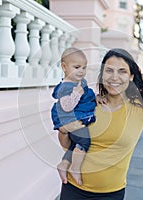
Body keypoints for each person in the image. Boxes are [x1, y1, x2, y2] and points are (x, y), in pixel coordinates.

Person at [57, 48, 143, 200]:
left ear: (131, 75)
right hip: (73, 190)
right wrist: (63, 132)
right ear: (102, 75)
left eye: (122, 71)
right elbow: (67, 145)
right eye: (109, 71)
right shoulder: (88, 103)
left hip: (111, 194)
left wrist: (138, 77)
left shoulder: (141, 107)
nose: (114, 77)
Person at [51, 47, 96, 186]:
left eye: (84, 67)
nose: (81, 71)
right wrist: (76, 93)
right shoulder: (66, 86)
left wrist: (96, 98)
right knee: (84, 142)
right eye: (77, 67)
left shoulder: (78, 82)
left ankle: (64, 163)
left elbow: (87, 96)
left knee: (75, 145)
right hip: (71, 119)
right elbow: (66, 106)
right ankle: (75, 168)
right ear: (64, 67)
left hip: (76, 117)